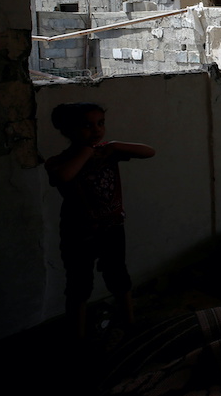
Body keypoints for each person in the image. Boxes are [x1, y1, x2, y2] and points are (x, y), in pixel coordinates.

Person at [45, 102, 155, 341]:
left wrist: (113, 145)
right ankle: (79, 338)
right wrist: (86, 151)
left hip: (113, 227)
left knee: (118, 276)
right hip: (79, 232)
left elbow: (149, 151)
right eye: (87, 125)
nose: (96, 130)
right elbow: (64, 176)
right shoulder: (59, 162)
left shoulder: (107, 153)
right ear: (67, 131)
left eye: (100, 123)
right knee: (79, 285)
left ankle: (130, 323)